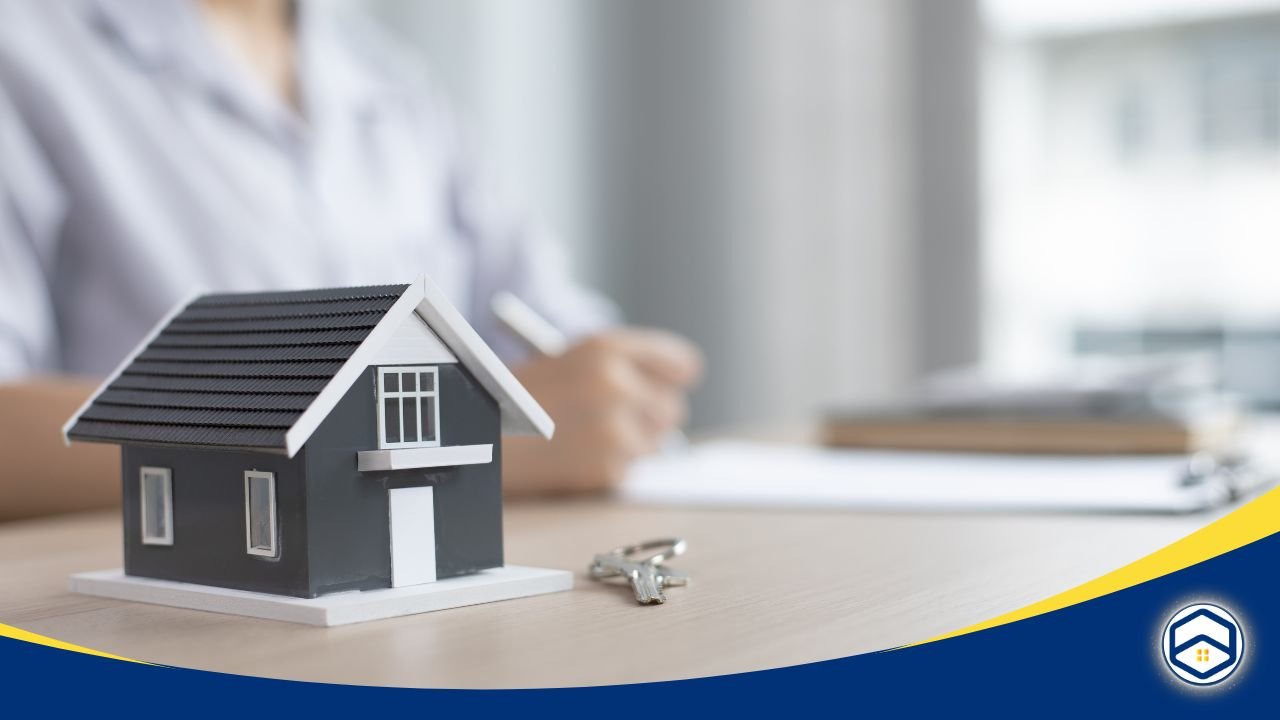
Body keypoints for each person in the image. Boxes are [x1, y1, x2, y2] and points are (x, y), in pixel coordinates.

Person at [0, 0, 702, 522]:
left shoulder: (382, 70)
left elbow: (547, 324)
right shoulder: (27, 53)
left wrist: (610, 390)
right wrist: (463, 441)